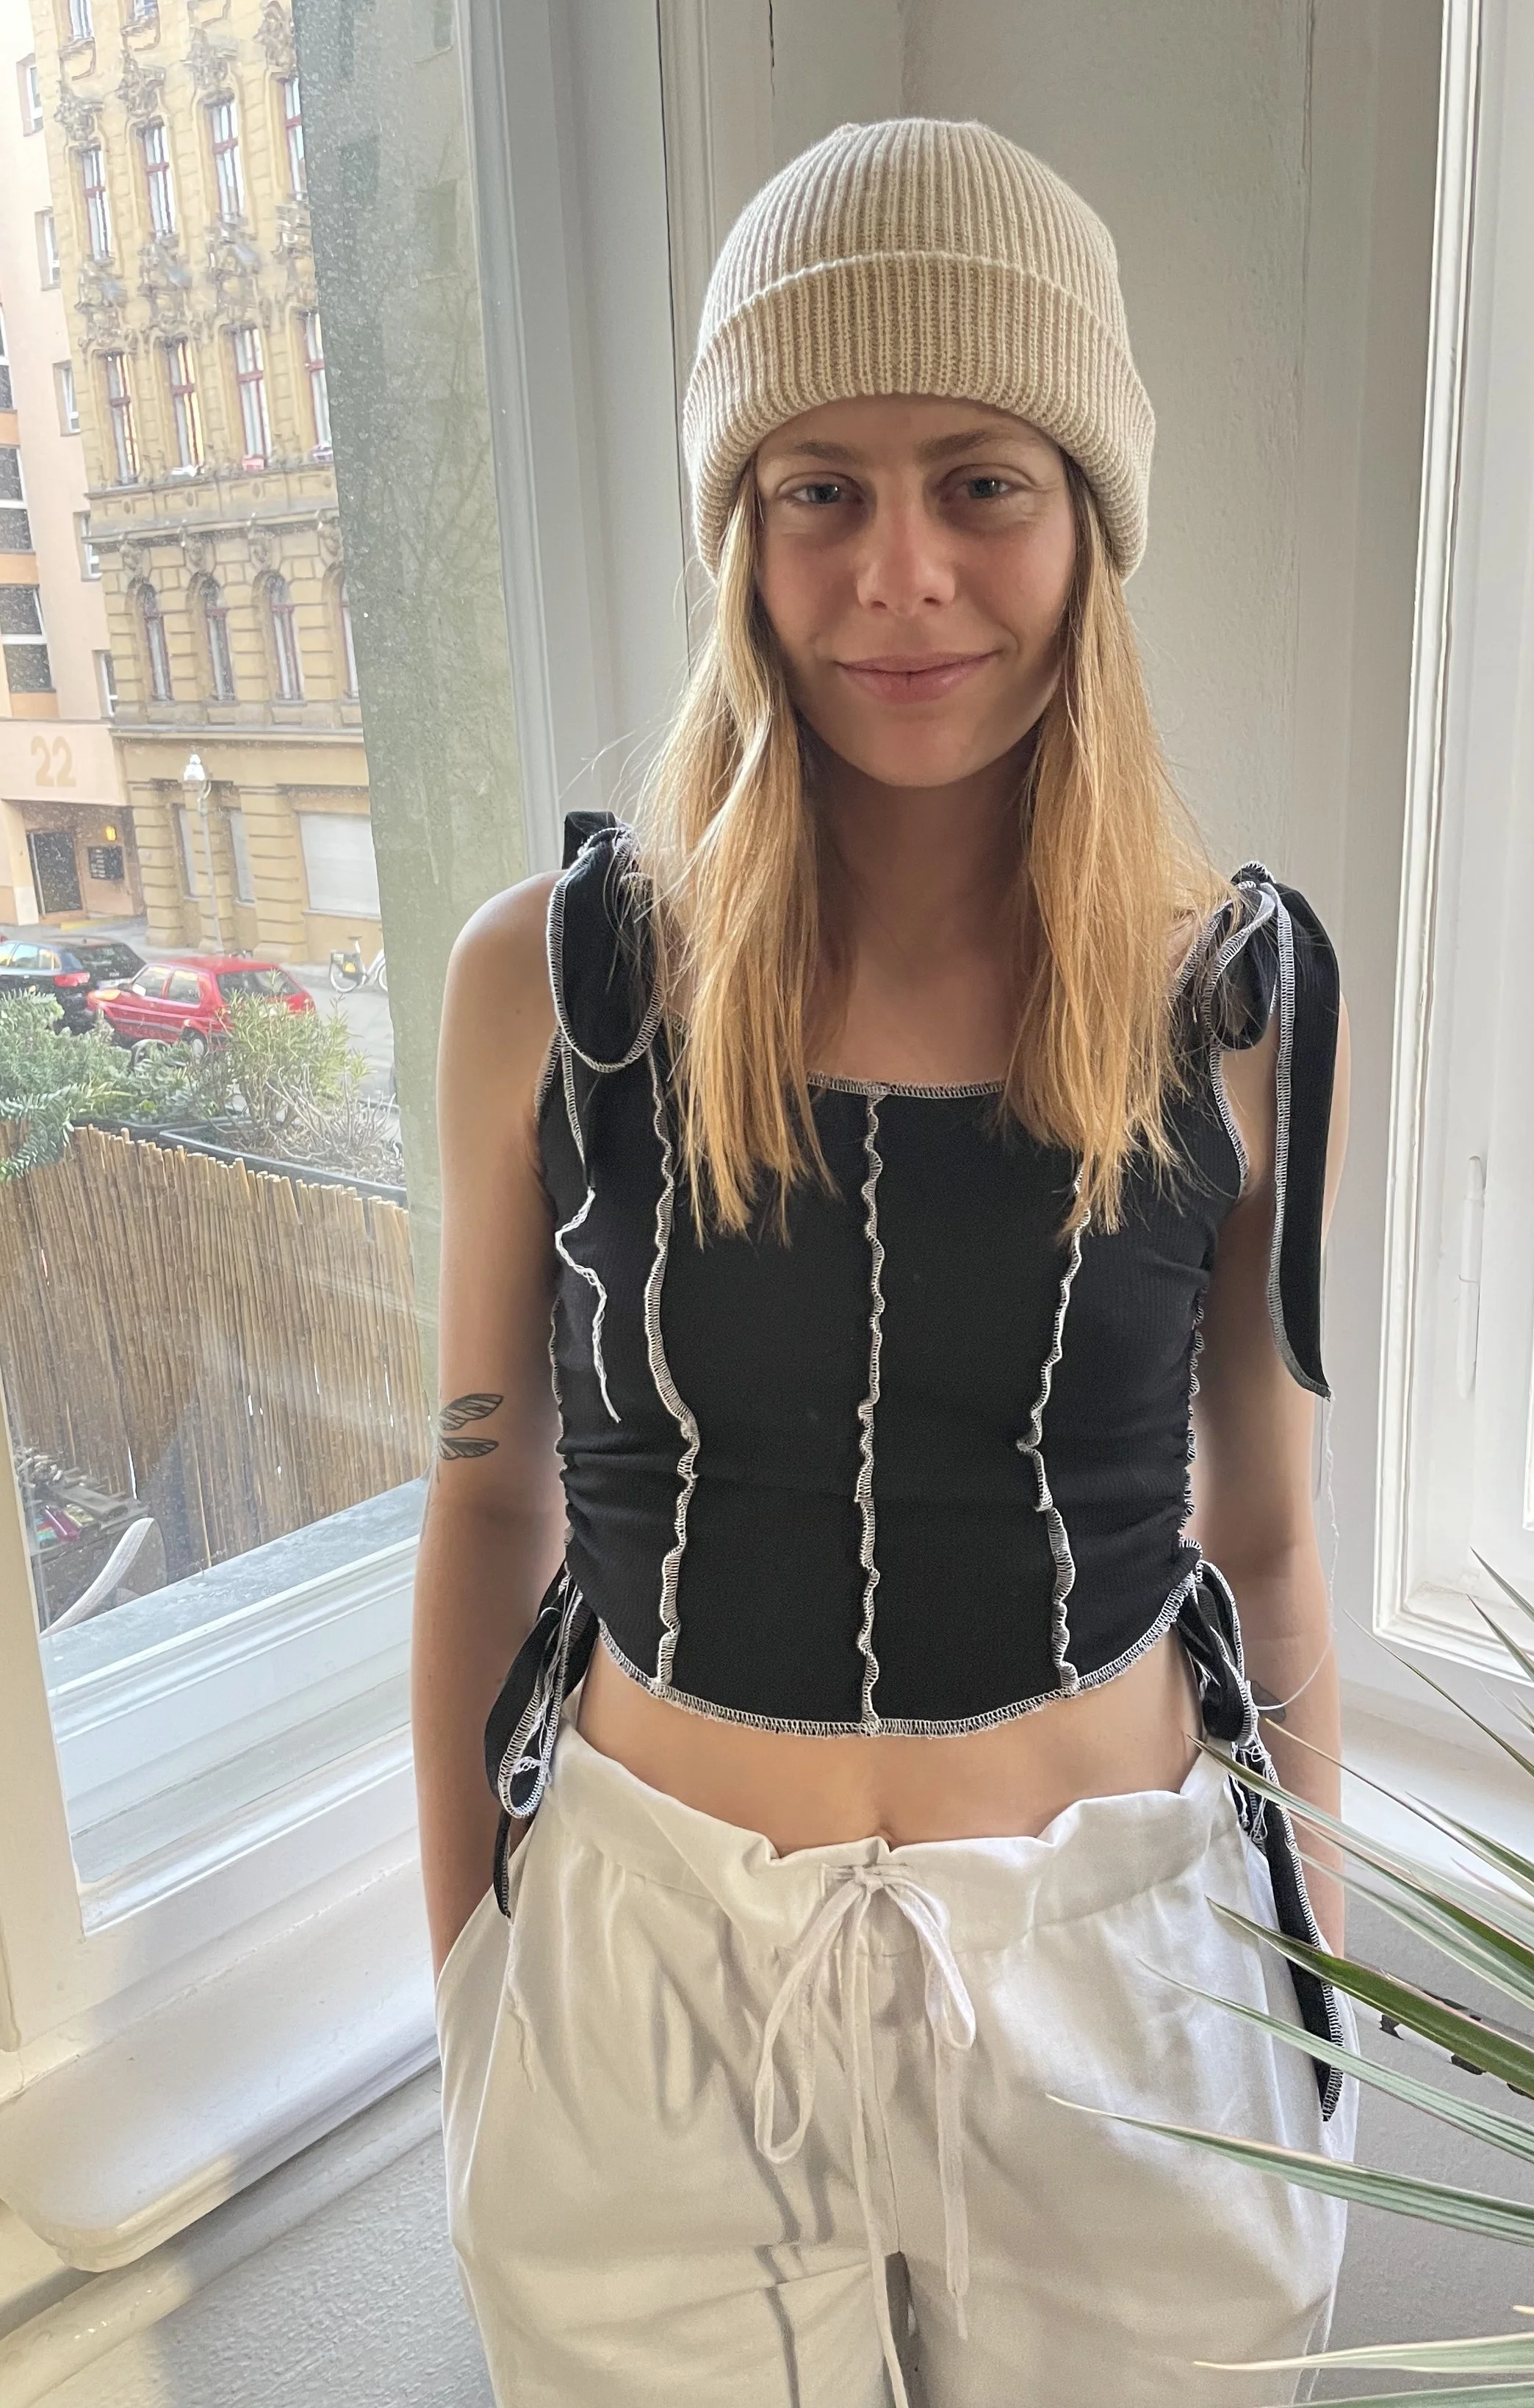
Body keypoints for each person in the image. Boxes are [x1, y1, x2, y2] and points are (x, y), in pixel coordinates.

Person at [419, 116, 1355, 2408]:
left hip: (1129, 2000)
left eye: (980, 482)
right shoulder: (548, 982)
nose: (898, 575)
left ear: (1087, 518)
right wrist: (478, 1996)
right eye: (815, 487)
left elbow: (1265, 1526)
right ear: (737, 530)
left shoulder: (1237, 1000)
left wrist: (1317, 1989)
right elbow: (481, 1493)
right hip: (644, 1985)